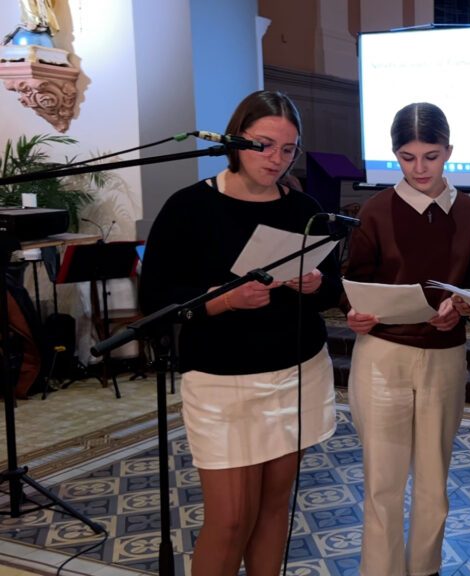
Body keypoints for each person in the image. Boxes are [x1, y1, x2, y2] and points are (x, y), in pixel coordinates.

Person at [139, 90, 341, 575]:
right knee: (231, 519)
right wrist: (225, 299)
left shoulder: (304, 208)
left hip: (296, 371)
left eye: (288, 149)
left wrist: (315, 283)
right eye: (264, 145)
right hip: (222, 381)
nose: (276, 159)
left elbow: (332, 289)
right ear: (234, 140)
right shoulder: (189, 206)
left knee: (274, 512)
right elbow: (156, 301)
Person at [344, 102, 470, 576]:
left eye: (431, 155)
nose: (420, 168)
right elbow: (355, 281)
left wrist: (464, 307)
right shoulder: (375, 210)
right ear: (395, 155)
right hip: (382, 356)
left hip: (444, 357)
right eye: (408, 157)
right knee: (382, 485)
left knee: (434, 484)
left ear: (449, 151)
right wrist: (357, 315)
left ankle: (425, 570)